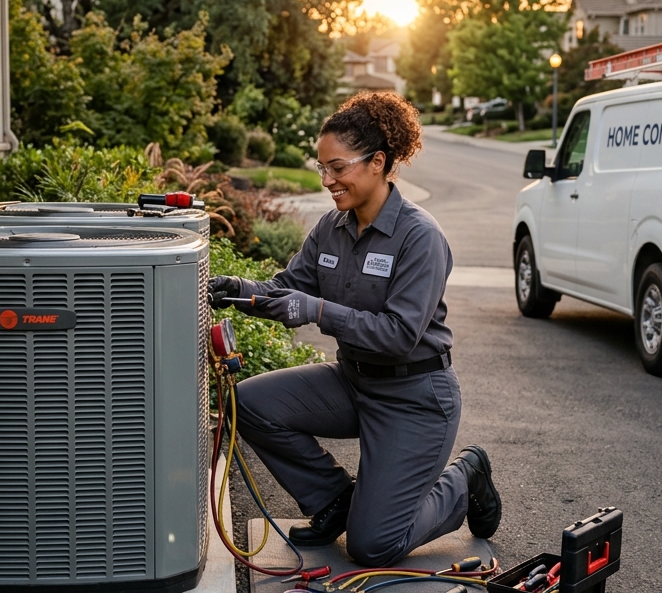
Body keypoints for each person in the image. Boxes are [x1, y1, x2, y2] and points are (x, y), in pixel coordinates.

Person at [209, 92, 501, 567]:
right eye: (322, 168)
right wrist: (236, 288)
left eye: (337, 167)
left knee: (373, 546)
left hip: (415, 397)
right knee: (249, 404)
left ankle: (464, 480)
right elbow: (288, 289)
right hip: (353, 381)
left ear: (377, 162)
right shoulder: (332, 227)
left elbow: (399, 334)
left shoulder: (419, 237)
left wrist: (319, 311)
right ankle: (335, 502)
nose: (327, 180)